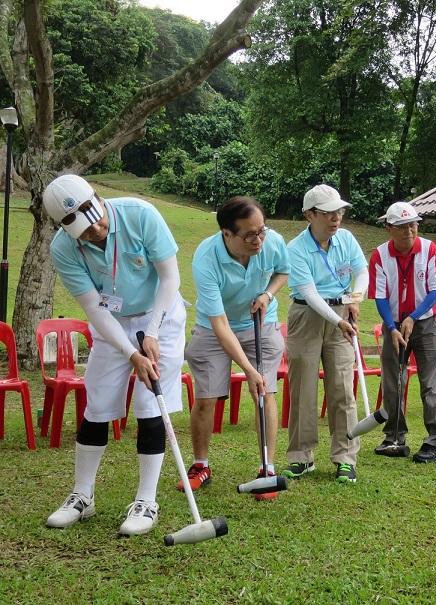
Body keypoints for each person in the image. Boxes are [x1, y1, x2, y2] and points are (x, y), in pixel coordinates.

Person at [42, 174, 186, 536]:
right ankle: (82, 496)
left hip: (161, 315)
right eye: (82, 230)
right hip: (111, 325)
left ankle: (146, 501)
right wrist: (130, 352)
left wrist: (151, 332)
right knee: (98, 405)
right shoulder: (63, 248)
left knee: (150, 404)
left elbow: (170, 278)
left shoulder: (140, 214)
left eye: (94, 220)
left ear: (99, 197)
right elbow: (94, 308)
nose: (94, 232)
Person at [183, 196, 289, 501]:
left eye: (262, 231)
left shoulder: (272, 241)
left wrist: (268, 294)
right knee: (206, 397)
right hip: (215, 327)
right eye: (249, 235)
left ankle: (266, 468)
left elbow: (282, 271)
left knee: (264, 392)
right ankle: (200, 465)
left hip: (261, 322)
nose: (258, 240)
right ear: (227, 234)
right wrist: (248, 369)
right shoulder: (206, 257)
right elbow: (220, 325)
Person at [281, 184, 368, 483]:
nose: (336, 218)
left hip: (342, 312)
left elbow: (362, 271)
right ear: (310, 214)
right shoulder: (295, 249)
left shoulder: (346, 239)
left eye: (339, 211)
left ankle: (345, 457)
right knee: (303, 387)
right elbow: (310, 293)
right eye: (328, 213)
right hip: (307, 315)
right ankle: (301, 457)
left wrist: (356, 298)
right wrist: (339, 320)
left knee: (343, 387)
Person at [368, 201, 436, 462]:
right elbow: (380, 296)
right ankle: (394, 436)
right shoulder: (380, 255)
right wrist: (391, 327)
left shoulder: (430, 249)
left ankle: (435, 441)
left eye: (413, 225)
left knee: (432, 382)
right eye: (402, 227)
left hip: (426, 322)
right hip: (393, 323)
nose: (409, 231)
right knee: (392, 381)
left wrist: (413, 317)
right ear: (389, 228)